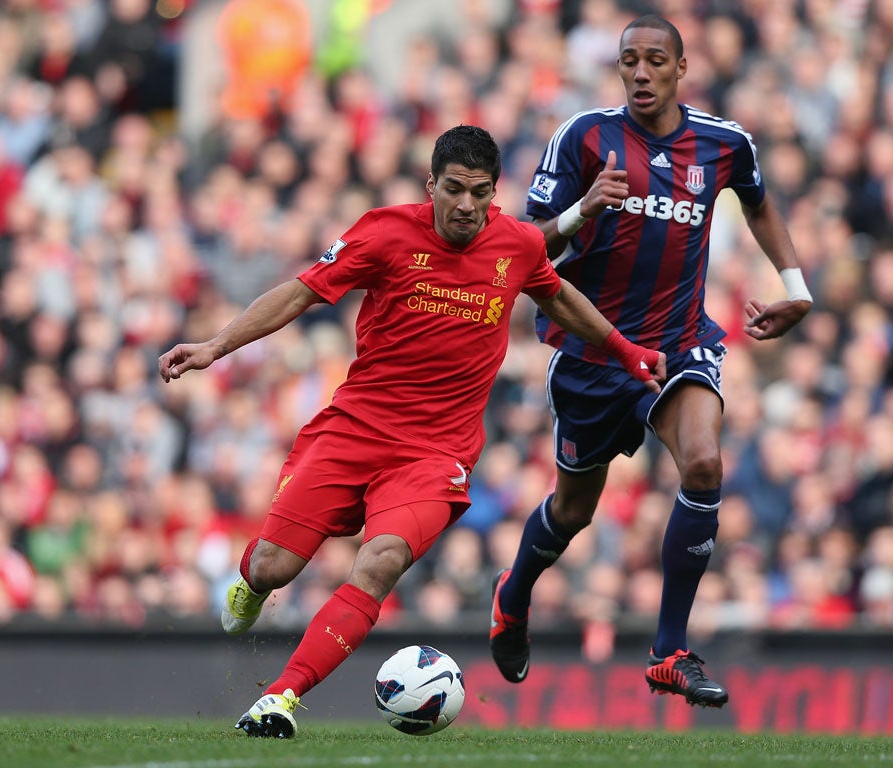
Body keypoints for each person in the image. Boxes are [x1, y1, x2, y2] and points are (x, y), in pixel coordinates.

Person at [157, 125, 666, 738]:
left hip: (436, 453)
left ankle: (279, 699)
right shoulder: (385, 231)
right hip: (354, 430)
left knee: (381, 561)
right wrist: (217, 345)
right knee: (273, 568)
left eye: (480, 193)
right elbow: (300, 293)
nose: (466, 206)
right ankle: (249, 581)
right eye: (454, 190)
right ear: (431, 186)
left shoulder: (516, 244)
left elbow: (557, 296)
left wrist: (622, 348)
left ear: (493, 192)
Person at [489, 14, 812, 708]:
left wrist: (796, 287)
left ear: (680, 68)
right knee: (573, 512)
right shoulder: (584, 136)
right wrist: (581, 211)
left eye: (654, 60)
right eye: (629, 60)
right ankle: (512, 599)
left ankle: (668, 651)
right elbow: (524, 247)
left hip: (678, 343)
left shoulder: (725, 144)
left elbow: (758, 202)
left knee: (703, 462)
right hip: (593, 350)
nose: (640, 72)